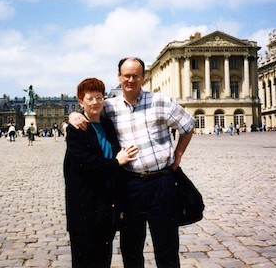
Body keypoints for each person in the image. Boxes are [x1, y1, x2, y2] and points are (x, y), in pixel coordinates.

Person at [69, 57, 195, 267]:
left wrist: (178, 154)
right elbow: (88, 110)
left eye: (135, 75)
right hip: (129, 185)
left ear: (143, 77)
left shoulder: (160, 101)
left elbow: (188, 125)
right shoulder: (109, 106)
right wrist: (72, 116)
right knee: (131, 249)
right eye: (126, 75)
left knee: (167, 246)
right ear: (119, 77)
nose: (130, 80)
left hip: (161, 182)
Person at [64, 77, 138, 268]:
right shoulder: (76, 129)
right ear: (81, 102)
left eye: (99, 98)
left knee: (104, 258)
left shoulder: (107, 124)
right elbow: (85, 164)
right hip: (85, 205)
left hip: (107, 204)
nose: (95, 102)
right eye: (90, 99)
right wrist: (116, 163)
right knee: (84, 260)